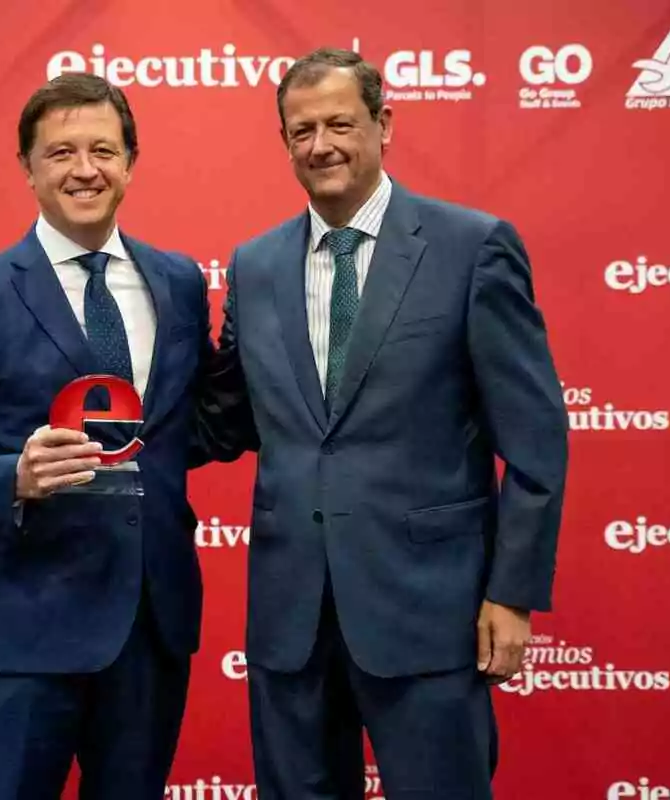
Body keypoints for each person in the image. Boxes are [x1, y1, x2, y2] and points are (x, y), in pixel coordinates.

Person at [197, 48, 570, 798]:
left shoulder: (472, 247)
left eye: (340, 123)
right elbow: (226, 420)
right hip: (290, 618)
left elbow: (534, 440)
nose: (321, 146)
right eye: (301, 131)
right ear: (285, 142)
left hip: (430, 610)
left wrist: (512, 592)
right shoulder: (255, 264)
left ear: (383, 124)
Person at [0, 73, 212, 799]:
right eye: (61, 152)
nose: (84, 169)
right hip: (18, 632)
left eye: (103, 149)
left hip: (148, 627)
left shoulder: (180, 283)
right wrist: (13, 475)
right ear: (29, 170)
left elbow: (192, 425)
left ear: (131, 161)